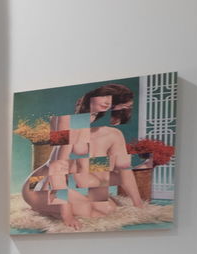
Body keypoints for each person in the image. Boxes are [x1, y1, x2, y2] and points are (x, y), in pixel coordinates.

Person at [20, 83, 145, 229]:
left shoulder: (113, 134)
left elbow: (124, 170)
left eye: (112, 101)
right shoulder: (68, 123)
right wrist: (67, 214)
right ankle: (42, 208)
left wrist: (138, 204)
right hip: (39, 184)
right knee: (90, 211)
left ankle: (52, 207)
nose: (107, 102)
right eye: (104, 96)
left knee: (108, 209)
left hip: (64, 185)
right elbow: (56, 168)